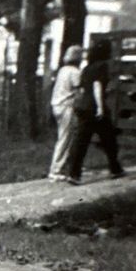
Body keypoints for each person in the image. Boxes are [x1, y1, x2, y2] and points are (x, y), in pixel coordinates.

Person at [67, 38, 124, 185]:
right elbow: (97, 85)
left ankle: (74, 174)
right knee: (109, 139)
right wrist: (100, 107)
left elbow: (82, 88)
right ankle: (115, 169)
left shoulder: (87, 68)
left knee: (82, 141)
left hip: (83, 107)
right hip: (94, 107)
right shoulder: (102, 66)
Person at [47, 45, 83, 181]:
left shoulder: (63, 70)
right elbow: (79, 88)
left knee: (64, 136)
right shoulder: (75, 72)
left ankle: (63, 165)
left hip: (56, 105)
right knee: (65, 138)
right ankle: (56, 169)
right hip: (67, 106)